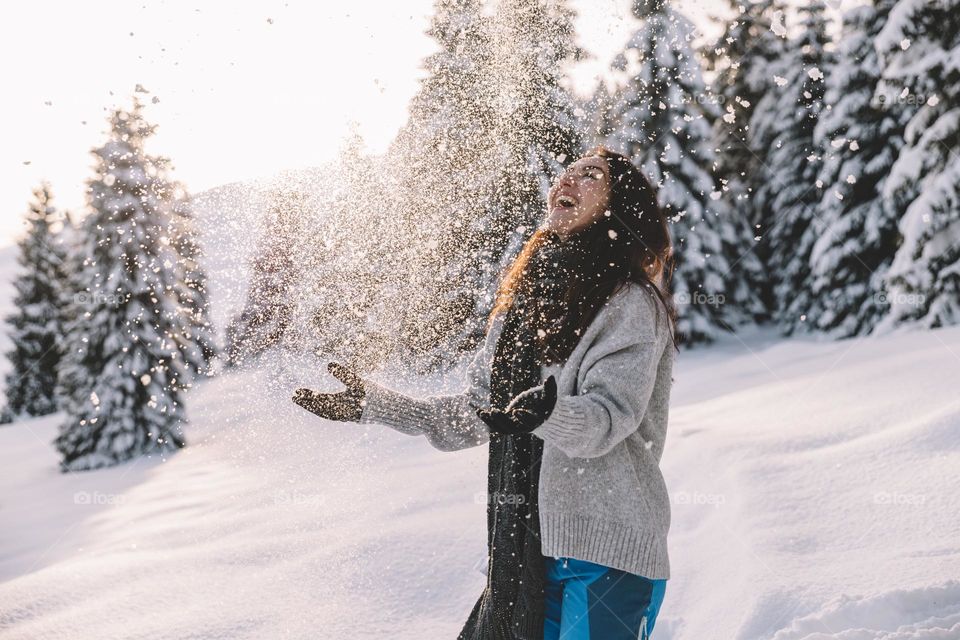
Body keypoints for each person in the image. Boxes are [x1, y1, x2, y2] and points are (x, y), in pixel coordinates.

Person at [293, 145, 679, 639]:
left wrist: (544, 414)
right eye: (568, 169)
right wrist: (378, 406)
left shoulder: (630, 304)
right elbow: (479, 413)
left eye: (591, 175)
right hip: (526, 551)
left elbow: (607, 419)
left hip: (607, 554)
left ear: (617, 208)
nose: (569, 179)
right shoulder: (526, 304)